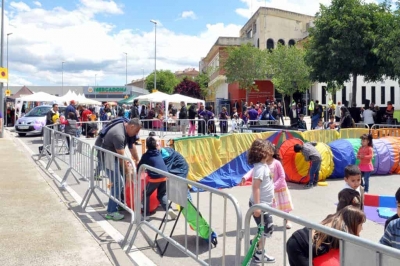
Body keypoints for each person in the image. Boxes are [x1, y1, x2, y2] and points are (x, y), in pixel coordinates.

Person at [94, 118, 142, 221]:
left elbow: (131, 146)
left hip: (114, 155)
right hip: (107, 156)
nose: (137, 133)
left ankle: (119, 202)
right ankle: (111, 212)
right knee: (117, 182)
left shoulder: (128, 131)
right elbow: (121, 157)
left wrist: (137, 160)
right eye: (137, 131)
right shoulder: (119, 134)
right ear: (132, 126)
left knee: (124, 178)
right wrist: (128, 172)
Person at [287, 206, 366, 266]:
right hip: (299, 246)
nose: (362, 228)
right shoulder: (341, 232)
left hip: (296, 240)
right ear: (354, 223)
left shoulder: (334, 220)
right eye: (361, 225)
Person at [241, 142, 294, 229]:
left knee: (285, 206)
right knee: (270, 207)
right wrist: (245, 177)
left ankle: (287, 220)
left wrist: (274, 186)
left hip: (279, 188)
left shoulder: (276, 163)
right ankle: (267, 223)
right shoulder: (262, 164)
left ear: (271, 153)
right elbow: (253, 171)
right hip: (270, 190)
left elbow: (282, 176)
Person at [247, 139, 276, 263]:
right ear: (263, 152)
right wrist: (257, 207)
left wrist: (272, 196)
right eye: (270, 151)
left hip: (265, 204)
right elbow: (256, 186)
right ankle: (256, 249)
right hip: (260, 205)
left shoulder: (264, 166)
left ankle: (257, 249)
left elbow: (267, 183)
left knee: (263, 230)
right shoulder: (259, 167)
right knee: (267, 229)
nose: (272, 154)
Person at [137, 136, 177, 219]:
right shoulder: (158, 153)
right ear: (155, 145)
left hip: (155, 177)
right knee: (161, 194)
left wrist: (137, 174)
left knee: (146, 194)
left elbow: (139, 167)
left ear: (147, 146)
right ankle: (168, 209)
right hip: (165, 176)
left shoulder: (145, 156)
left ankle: (146, 214)